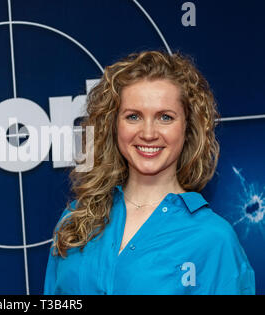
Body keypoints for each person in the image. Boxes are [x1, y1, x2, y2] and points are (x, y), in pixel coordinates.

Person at [43, 50, 255, 295]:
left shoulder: (214, 240)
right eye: (133, 116)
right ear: (114, 125)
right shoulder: (75, 220)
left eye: (165, 117)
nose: (148, 133)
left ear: (187, 128)